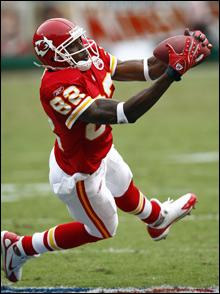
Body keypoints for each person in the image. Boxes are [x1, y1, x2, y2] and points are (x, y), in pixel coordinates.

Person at [1, 18, 212, 283]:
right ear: (55, 56)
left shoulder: (83, 51)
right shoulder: (57, 87)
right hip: (78, 172)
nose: (81, 46)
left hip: (97, 147)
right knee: (103, 228)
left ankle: (157, 219)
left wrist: (176, 56)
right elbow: (125, 113)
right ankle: (20, 247)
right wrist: (172, 75)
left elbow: (135, 69)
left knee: (122, 182)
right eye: (71, 45)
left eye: (78, 39)